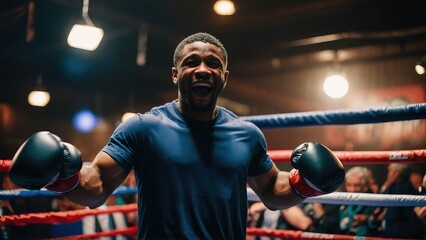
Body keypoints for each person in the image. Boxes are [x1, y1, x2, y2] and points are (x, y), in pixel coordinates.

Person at [8, 32, 345, 239]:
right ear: (175, 74)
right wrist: (61, 175)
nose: (202, 69)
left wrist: (306, 183)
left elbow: (273, 191)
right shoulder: (142, 127)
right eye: (191, 62)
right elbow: (96, 186)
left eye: (213, 63)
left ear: (223, 77)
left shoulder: (247, 134)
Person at [379, 163, 424, 239]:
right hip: (396, 227)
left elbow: (393, 211)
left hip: (401, 228)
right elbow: (381, 200)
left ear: (397, 173)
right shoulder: (394, 185)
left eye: (390, 171)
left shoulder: (403, 187)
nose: (388, 174)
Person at [338, 166, 382, 237]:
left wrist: (367, 219)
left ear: (365, 185)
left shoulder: (374, 200)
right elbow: (341, 225)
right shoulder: (345, 199)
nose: (352, 190)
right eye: (349, 185)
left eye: (357, 185)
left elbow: (379, 224)